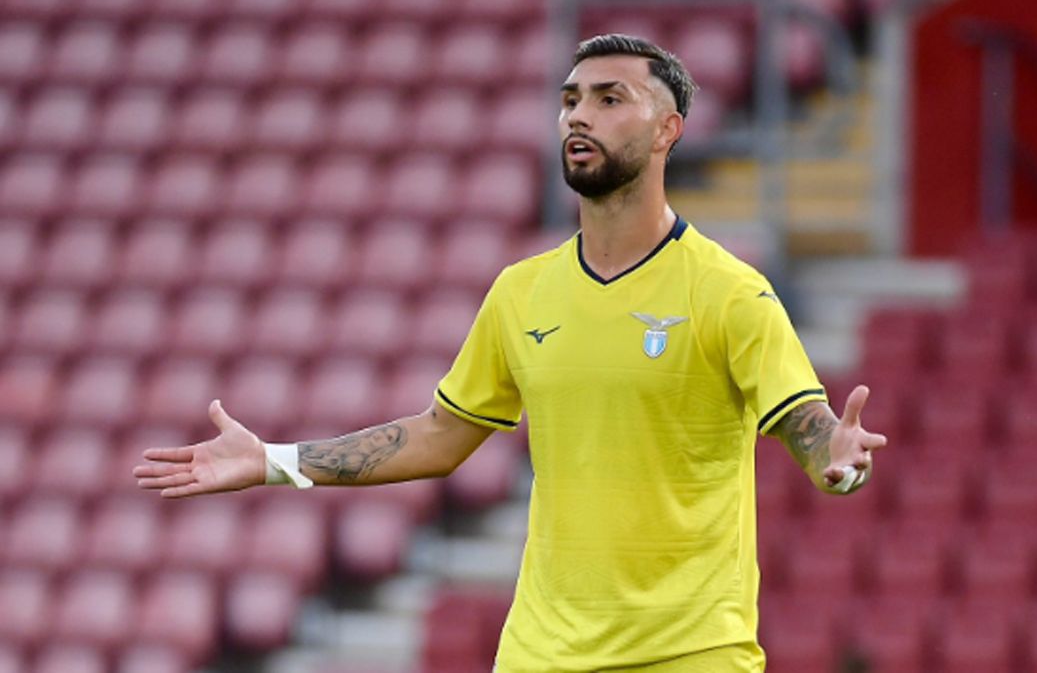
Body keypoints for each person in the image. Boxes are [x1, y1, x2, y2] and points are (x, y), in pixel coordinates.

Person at [134, 34, 887, 672]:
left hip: (689, 653)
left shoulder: (730, 292)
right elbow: (440, 436)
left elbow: (808, 424)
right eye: (570, 100)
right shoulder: (521, 292)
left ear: (668, 130)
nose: (579, 116)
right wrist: (275, 460)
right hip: (541, 654)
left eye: (609, 98)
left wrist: (838, 456)